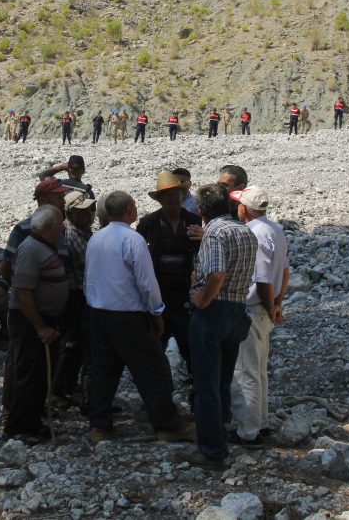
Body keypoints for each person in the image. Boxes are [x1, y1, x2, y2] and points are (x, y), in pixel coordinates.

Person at [85, 191, 195, 443]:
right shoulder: (133, 239)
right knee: (152, 369)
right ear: (128, 210)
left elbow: (90, 276)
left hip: (100, 313)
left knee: (104, 369)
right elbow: (146, 282)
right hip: (128, 316)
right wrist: (157, 311)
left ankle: (99, 425)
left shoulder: (96, 239)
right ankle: (167, 424)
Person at [177, 183, 256, 470]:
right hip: (238, 310)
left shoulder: (214, 232)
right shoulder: (245, 231)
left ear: (201, 210)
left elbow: (218, 272)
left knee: (206, 384)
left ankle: (211, 449)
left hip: (214, 311)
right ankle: (220, 435)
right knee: (222, 380)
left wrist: (202, 299)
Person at [2, 205, 69, 441]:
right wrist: (40, 326)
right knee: (30, 373)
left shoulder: (42, 246)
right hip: (30, 321)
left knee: (40, 374)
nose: (63, 227)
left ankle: (31, 422)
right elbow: (22, 292)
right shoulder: (31, 249)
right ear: (50, 227)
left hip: (41, 319)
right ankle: (18, 428)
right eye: (60, 223)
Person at [228, 187, 289, 446]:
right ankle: (261, 423)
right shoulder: (276, 229)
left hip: (253, 309)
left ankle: (249, 431)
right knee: (259, 369)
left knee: (245, 371)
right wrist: (277, 304)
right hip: (267, 308)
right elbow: (284, 271)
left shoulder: (253, 234)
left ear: (244, 209)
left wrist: (269, 304)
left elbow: (263, 279)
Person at [136, 172, 202, 376]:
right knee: (155, 348)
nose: (172, 198)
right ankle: (158, 394)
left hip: (185, 296)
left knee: (191, 348)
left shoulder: (194, 221)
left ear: (183, 195)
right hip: (158, 297)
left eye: (176, 193)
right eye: (167, 195)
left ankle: (195, 393)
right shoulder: (148, 223)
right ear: (160, 199)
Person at [52, 190, 96, 407]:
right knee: (71, 343)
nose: (89, 214)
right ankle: (61, 390)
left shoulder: (83, 231)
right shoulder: (70, 235)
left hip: (83, 293)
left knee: (80, 343)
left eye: (89, 209)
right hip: (74, 295)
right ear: (71, 213)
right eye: (83, 211)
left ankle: (71, 386)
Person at [0, 178, 71, 283]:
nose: (63, 201)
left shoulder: (62, 228)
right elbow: (6, 267)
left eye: (63, 197)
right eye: (59, 197)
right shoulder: (23, 229)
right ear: (43, 200)